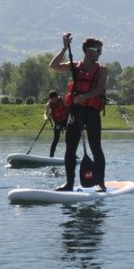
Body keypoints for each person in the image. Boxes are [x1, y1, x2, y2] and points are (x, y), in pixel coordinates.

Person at [49, 33, 108, 192]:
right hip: (75, 112)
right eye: (98, 50)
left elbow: (99, 90)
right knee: (70, 148)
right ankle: (69, 183)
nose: (100, 53)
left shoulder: (102, 69)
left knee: (96, 148)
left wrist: (82, 97)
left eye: (101, 50)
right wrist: (64, 48)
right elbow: (54, 65)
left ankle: (100, 182)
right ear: (88, 51)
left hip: (92, 112)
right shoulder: (75, 66)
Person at [44, 90, 69, 158]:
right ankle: (51, 156)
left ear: (57, 97)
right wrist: (46, 117)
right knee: (55, 139)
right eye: (53, 99)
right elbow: (45, 113)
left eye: (56, 98)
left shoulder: (62, 99)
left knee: (69, 139)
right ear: (50, 99)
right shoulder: (48, 104)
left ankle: (72, 155)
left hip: (66, 120)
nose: (55, 100)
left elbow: (69, 105)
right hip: (58, 122)